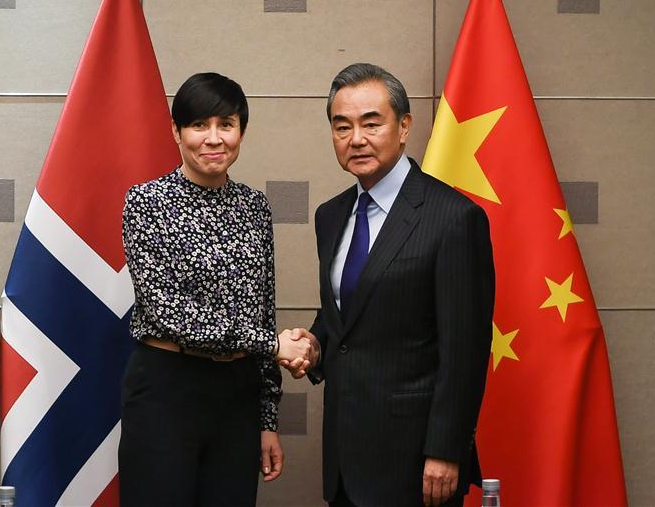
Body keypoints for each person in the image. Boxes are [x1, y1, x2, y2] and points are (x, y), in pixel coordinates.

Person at [281, 63, 495, 507]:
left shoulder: (453, 218)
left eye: (371, 123)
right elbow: (349, 312)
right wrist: (315, 344)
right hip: (345, 458)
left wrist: (446, 449)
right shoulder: (330, 215)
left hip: (417, 462)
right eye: (342, 126)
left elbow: (466, 350)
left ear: (404, 127)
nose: (356, 138)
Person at [119, 72, 313, 507]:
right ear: (176, 131)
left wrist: (267, 418)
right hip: (166, 390)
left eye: (226, 124)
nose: (213, 138)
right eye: (198, 125)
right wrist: (273, 344)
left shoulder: (254, 206)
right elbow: (170, 312)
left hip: (237, 396)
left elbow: (263, 309)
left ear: (241, 131)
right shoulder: (146, 203)